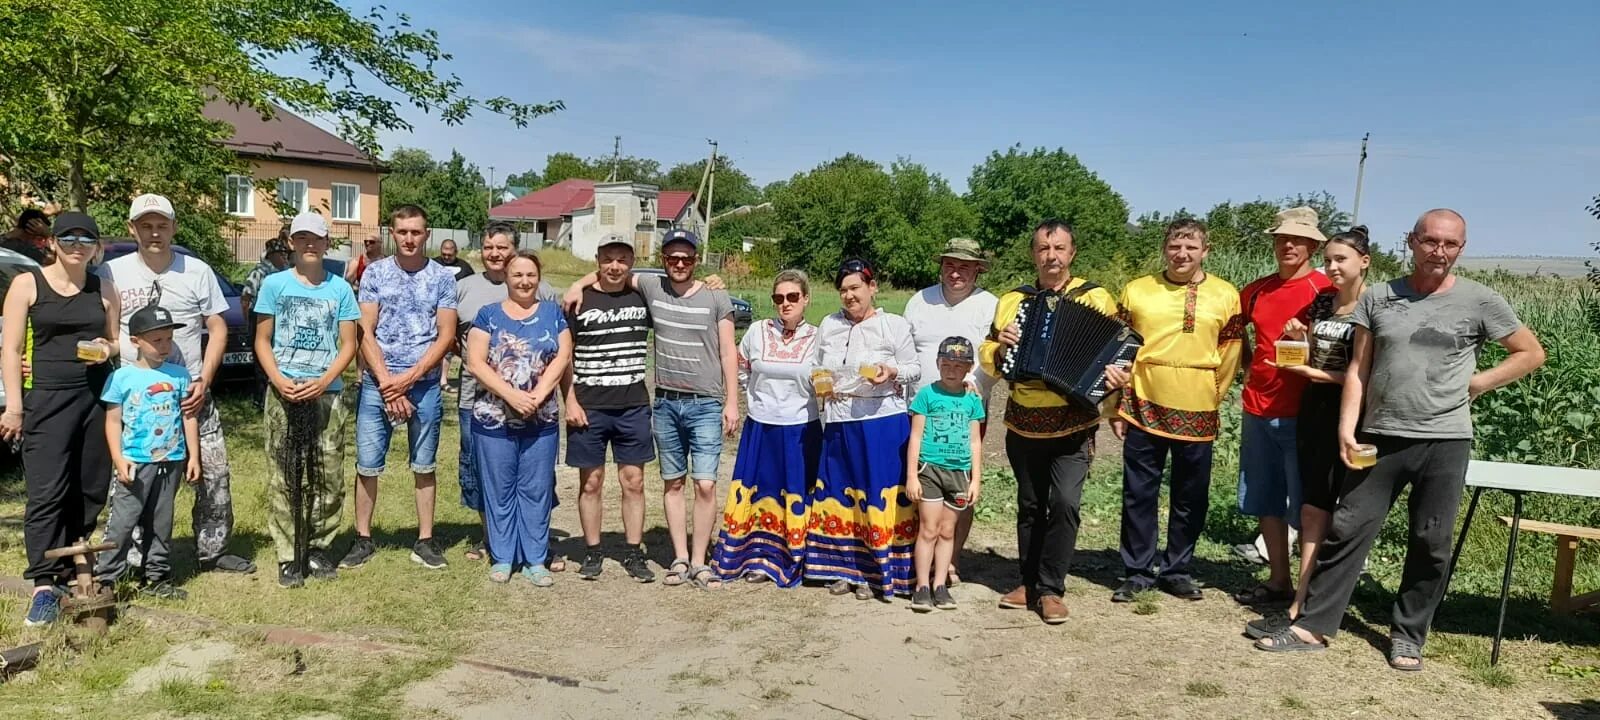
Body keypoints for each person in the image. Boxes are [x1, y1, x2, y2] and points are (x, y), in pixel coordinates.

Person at [1255, 209, 1546, 672]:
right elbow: (1358, 370)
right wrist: (1346, 428)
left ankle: (1408, 636)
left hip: (1445, 440)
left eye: (1450, 244)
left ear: (1461, 249)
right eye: (1430, 241)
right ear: (1411, 242)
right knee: (1348, 528)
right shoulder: (1380, 298)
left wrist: (1477, 383)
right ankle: (1312, 626)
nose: (1439, 252)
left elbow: (1530, 353)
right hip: (1379, 434)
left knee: (1431, 540)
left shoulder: (1481, 300)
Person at [563, 229, 738, 589]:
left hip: (652, 405)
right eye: (672, 258)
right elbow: (566, 351)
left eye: (686, 258)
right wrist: (577, 284)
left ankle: (656, 554)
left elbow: (726, 349)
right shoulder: (608, 296)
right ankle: (609, 553)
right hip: (621, 403)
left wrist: (732, 400)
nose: (679, 263)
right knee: (598, 481)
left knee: (659, 482)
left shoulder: (672, 293)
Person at [100, 194, 255, 575]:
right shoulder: (111, 272)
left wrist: (205, 378)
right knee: (133, 480)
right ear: (131, 228)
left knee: (213, 474)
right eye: (146, 225)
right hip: (137, 402)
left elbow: (217, 327)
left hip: (189, 394)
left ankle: (212, 550)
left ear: (173, 227)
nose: (155, 233)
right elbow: (108, 331)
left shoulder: (197, 270)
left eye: (162, 225)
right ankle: (132, 557)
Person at [979, 219, 1123, 625]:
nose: (1051, 256)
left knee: (1064, 503)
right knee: (1030, 504)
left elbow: (1117, 351)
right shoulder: (1012, 300)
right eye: (1044, 248)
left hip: (1073, 422)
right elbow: (989, 351)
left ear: (1072, 253)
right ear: (1034, 255)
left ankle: (1051, 588)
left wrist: (1116, 379)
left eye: (1059, 248)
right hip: (1023, 421)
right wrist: (999, 347)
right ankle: (1027, 582)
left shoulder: (1096, 297)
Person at [1242, 226, 1371, 634]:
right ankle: (1291, 592)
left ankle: (1313, 599)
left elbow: (1364, 373)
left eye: (1340, 259)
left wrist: (1311, 371)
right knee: (1290, 504)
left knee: (1326, 509)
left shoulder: (1367, 302)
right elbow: (1307, 343)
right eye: (1330, 260)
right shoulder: (1319, 301)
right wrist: (1297, 340)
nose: (1333, 267)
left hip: (1334, 414)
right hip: (1288, 408)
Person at [1110, 219, 1243, 603]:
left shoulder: (1225, 295)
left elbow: (1231, 352)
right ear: (1164, 248)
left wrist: (1213, 395)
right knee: (1139, 492)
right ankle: (1137, 569)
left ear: (1205, 251)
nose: (1182, 254)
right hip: (1143, 400)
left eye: (1191, 247)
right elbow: (1119, 351)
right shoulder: (1137, 290)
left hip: (1199, 402)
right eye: (1174, 247)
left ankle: (1177, 568)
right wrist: (1117, 405)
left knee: (1191, 494)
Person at [0, 211, 120, 625]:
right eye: (68, 238)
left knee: (90, 487)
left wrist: (108, 349)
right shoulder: (26, 284)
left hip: (95, 398)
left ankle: (74, 568)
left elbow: (115, 339)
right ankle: (43, 584)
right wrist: (14, 406)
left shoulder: (103, 286)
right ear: (52, 242)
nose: (76, 246)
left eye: (85, 240)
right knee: (47, 490)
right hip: (46, 399)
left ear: (95, 247)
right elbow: (11, 350)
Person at [342, 204, 458, 570]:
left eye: (416, 232)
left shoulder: (442, 277)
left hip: (423, 386)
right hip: (379, 385)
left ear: (427, 234)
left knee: (424, 465)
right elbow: (364, 330)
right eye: (403, 232)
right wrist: (389, 384)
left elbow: (446, 335)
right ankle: (362, 539)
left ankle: (425, 540)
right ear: (393, 233)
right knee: (367, 465)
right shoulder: (375, 273)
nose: (409, 238)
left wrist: (407, 381)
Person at [254, 212, 362, 588]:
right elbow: (262, 341)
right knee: (284, 474)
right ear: (291, 243)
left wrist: (325, 381)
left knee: (328, 475)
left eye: (315, 238)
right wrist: (279, 380)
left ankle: (317, 547)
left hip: (326, 395)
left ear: (327, 242)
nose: (309, 245)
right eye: (301, 239)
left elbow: (349, 344)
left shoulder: (340, 289)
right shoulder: (274, 285)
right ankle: (288, 554)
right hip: (284, 391)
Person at [1231, 206, 1331, 606]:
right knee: (1265, 498)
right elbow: (1236, 337)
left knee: (1307, 506)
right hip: (1258, 408)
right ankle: (1278, 581)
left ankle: (1309, 593)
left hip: (1304, 413)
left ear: (1313, 245)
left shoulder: (1325, 291)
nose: (1289, 245)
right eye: (1282, 238)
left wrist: (1306, 342)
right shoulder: (1255, 290)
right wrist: (1248, 366)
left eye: (1299, 239)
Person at [807, 257, 920, 600]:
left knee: (876, 496)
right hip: (839, 421)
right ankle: (844, 569)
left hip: (882, 421)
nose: (849, 296)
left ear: (872, 288)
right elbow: (816, 365)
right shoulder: (829, 324)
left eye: (855, 288)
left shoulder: (894, 325)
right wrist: (821, 381)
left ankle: (878, 573)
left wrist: (892, 371)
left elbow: (914, 368)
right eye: (843, 290)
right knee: (842, 495)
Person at [465, 251, 572, 586]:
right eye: (517, 275)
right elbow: (476, 363)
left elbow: (563, 355)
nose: (524, 281)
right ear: (507, 278)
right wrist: (511, 395)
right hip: (493, 418)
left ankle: (535, 559)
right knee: (499, 489)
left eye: (530, 275)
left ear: (538, 277)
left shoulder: (553, 313)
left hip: (541, 420)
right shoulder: (488, 316)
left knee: (536, 489)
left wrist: (538, 396)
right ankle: (503, 557)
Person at [453, 222, 558, 564]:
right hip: (478, 401)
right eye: (488, 247)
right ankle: (492, 541)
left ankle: (535, 544)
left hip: (537, 405)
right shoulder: (463, 288)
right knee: (482, 472)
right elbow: (451, 336)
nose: (495, 254)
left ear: (514, 250)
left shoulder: (545, 291)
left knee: (535, 475)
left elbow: (559, 347)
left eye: (502, 247)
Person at [711, 269, 823, 587]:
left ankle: (796, 557)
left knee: (796, 493)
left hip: (802, 428)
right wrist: (752, 398)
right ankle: (758, 558)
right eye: (779, 298)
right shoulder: (759, 331)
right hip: (762, 426)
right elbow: (741, 366)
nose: (785, 303)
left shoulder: (818, 338)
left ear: (805, 299)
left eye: (792, 297)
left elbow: (826, 380)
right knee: (763, 493)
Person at [902, 237, 999, 587]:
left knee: (960, 485)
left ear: (977, 269)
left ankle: (951, 560)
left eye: (964, 266)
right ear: (941, 266)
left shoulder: (990, 305)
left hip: (965, 410)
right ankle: (917, 558)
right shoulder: (919, 300)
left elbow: (997, 355)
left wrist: (973, 381)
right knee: (919, 482)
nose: (956, 272)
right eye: (949, 264)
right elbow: (905, 349)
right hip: (921, 408)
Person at [560, 235, 656, 582]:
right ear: (597, 260)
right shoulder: (578, 300)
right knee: (591, 483)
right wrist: (569, 400)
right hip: (589, 405)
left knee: (634, 481)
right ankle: (593, 550)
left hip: (632, 404)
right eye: (608, 259)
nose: (614, 266)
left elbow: (679, 284)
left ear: (632, 263)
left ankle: (633, 552)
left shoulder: (643, 295)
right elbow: (564, 357)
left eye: (622, 259)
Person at [94, 303, 199, 600]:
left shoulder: (180, 375)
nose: (164, 346)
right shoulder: (122, 378)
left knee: (162, 520)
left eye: (169, 339)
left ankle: (157, 576)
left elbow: (188, 416)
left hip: (172, 460)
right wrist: (118, 457)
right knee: (124, 521)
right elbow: (113, 421)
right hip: (136, 462)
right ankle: (107, 577)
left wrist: (194, 456)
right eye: (157, 341)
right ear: (135, 341)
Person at [906, 337, 985, 612]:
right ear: (938, 363)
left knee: (948, 530)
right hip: (930, 469)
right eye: (946, 363)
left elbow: (975, 442)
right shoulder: (927, 395)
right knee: (928, 529)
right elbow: (915, 437)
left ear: (969, 367)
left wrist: (976, 478)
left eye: (959, 365)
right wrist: (912, 476)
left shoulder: (972, 400)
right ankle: (922, 586)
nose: (952, 369)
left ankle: (941, 584)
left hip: (959, 472)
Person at [241, 234, 291, 409]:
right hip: (261, 317)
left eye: (285, 252)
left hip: (282, 318)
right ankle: (261, 398)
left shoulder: (287, 272)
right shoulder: (260, 272)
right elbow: (246, 297)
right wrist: (248, 321)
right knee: (262, 359)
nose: (284, 256)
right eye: (280, 253)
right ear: (271, 254)